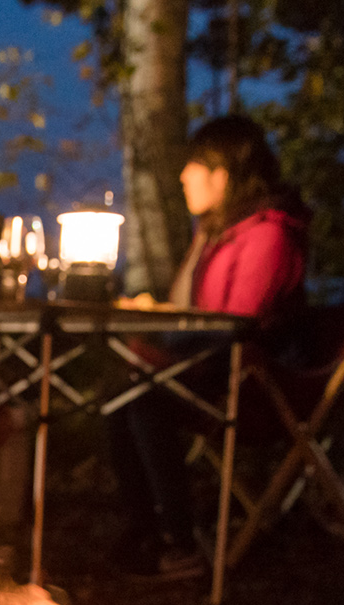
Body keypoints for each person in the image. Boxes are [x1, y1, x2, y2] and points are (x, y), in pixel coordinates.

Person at [111, 115, 311, 577]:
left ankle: (179, 542)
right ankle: (146, 530)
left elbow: (239, 325)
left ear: (221, 175)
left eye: (193, 167)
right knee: (121, 396)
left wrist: (160, 342)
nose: (183, 177)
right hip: (215, 366)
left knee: (141, 396)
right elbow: (190, 307)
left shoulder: (269, 232)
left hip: (256, 382)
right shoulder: (219, 231)